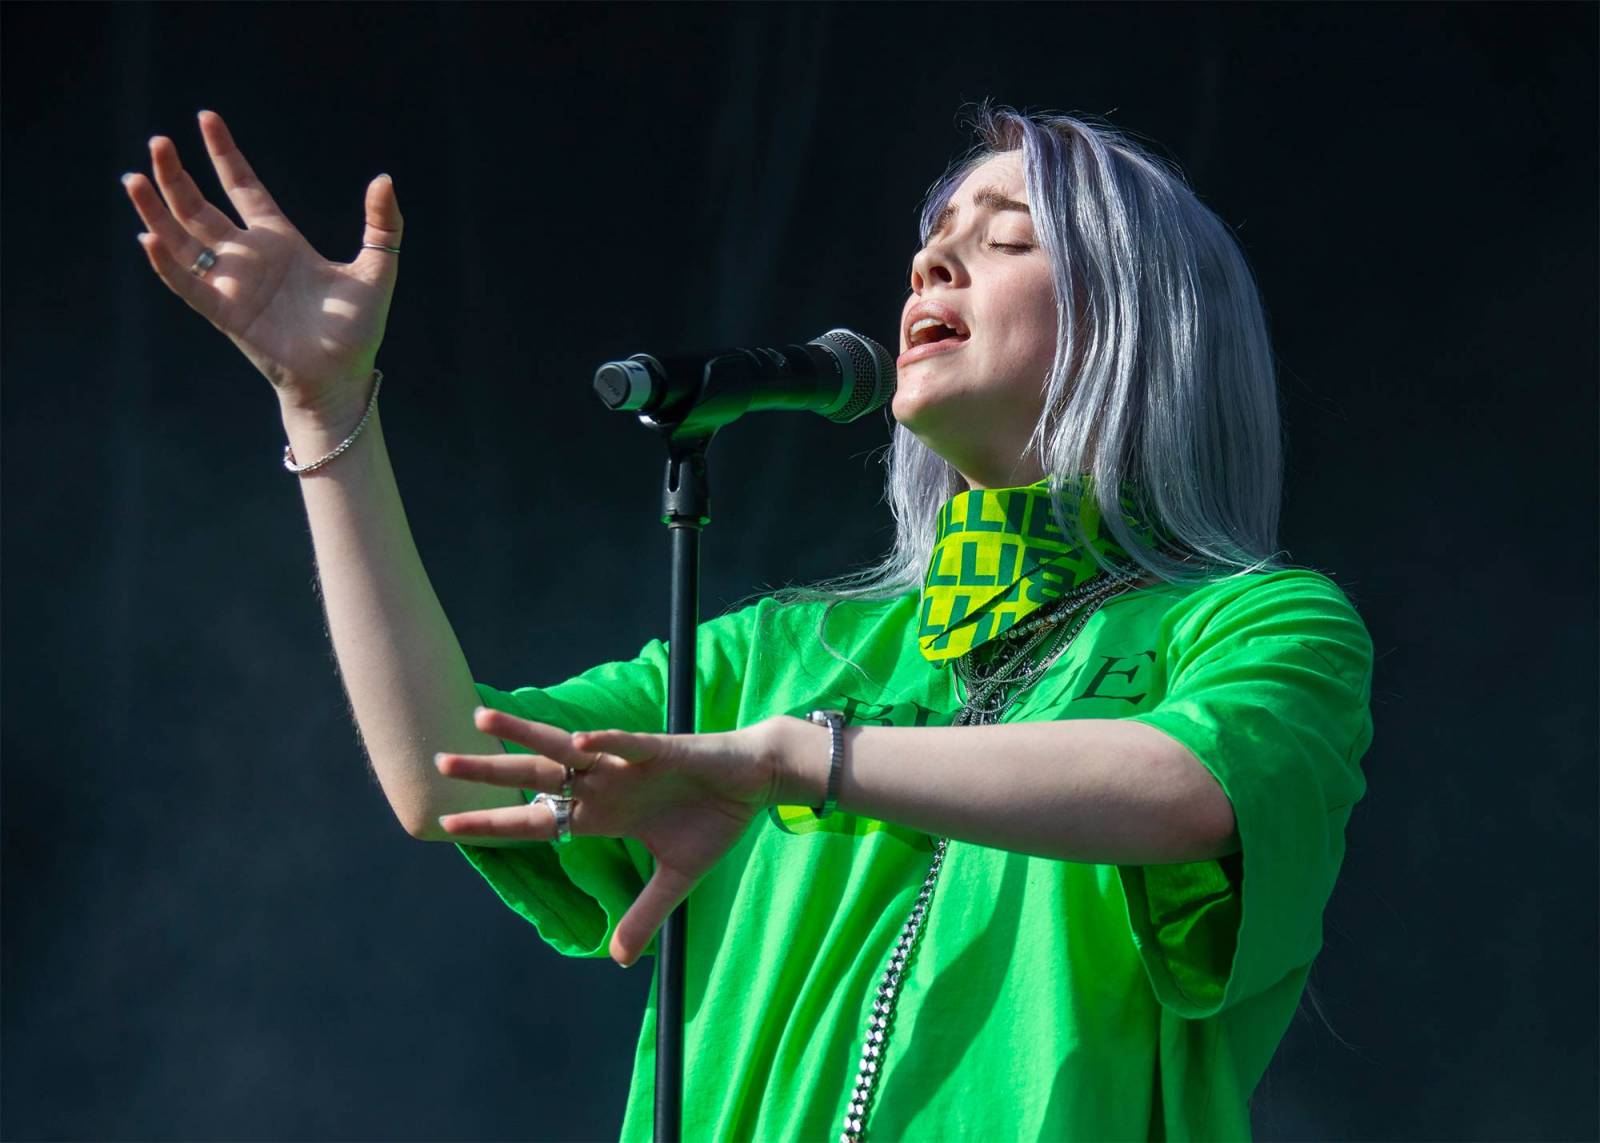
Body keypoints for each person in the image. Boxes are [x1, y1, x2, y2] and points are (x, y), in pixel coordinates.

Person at [124, 101, 1374, 1142]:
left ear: (1141, 317)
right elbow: (446, 775)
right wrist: (326, 411)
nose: (932, 267)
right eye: (931, 244)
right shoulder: (789, 653)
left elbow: (1190, 789)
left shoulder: (1261, 626)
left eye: (1009, 240)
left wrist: (794, 762)